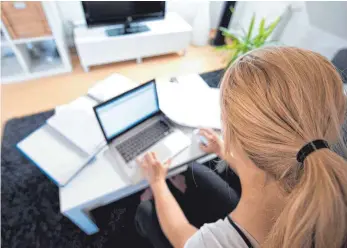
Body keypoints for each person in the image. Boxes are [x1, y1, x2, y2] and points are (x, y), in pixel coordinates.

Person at [135, 47, 347, 248]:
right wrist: (223, 151)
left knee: (147, 209)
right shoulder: (325, 177)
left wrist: (157, 182)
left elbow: (182, 236)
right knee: (196, 172)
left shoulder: (214, 243)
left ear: (231, 134)